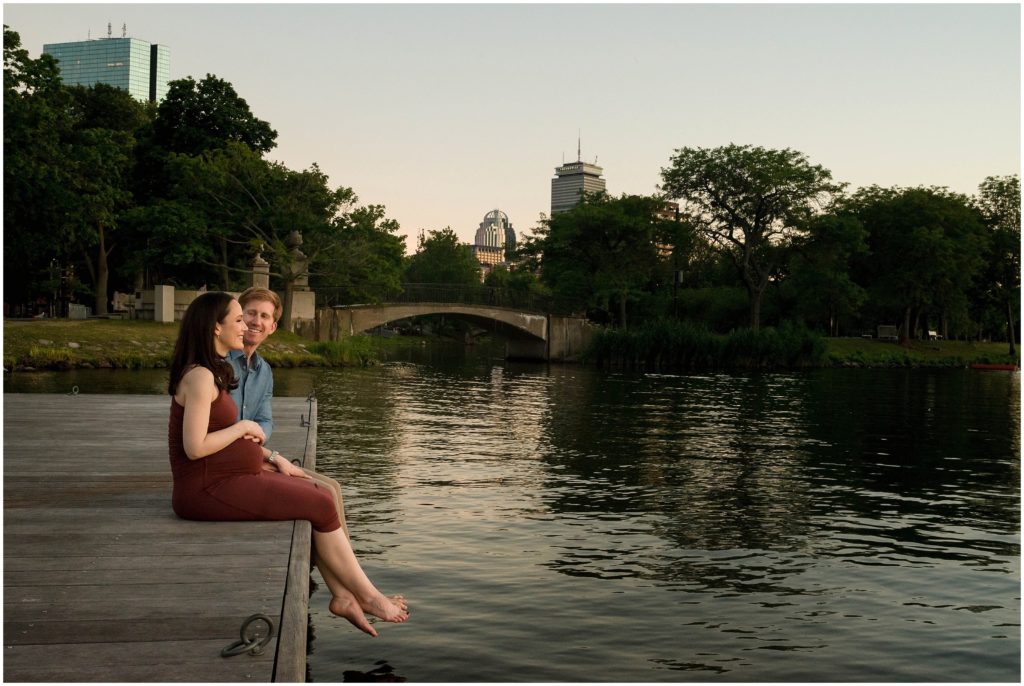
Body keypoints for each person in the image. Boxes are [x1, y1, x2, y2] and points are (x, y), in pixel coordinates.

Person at [168, 291, 407, 637]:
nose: (247, 326)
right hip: (207, 488)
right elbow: (193, 448)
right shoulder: (202, 377)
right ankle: (368, 596)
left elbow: (242, 428)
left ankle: (346, 595)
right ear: (215, 328)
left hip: (229, 476)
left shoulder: (214, 371)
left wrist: (262, 451)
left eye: (254, 318)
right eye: (239, 318)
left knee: (321, 495)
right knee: (321, 500)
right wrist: (244, 428)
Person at [226, 287, 348, 534]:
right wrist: (271, 457)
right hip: (230, 464)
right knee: (322, 494)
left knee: (333, 487)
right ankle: (340, 568)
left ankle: (340, 564)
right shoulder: (220, 364)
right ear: (239, 317)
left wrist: (259, 437)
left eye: (264, 316)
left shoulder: (265, 371)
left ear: (272, 327)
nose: (256, 322)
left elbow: (265, 420)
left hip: (251, 455)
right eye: (251, 313)